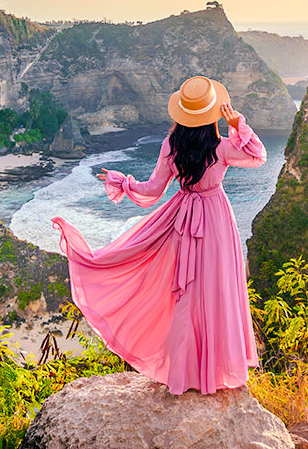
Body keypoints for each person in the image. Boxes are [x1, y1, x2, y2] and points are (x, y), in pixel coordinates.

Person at [51, 75, 267, 395]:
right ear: (210, 116)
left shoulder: (172, 145)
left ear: (182, 114)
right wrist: (237, 124)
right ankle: (213, 372)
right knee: (216, 292)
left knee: (188, 296)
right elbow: (258, 156)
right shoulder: (222, 148)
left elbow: (152, 191)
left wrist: (122, 182)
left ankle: (185, 373)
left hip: (182, 221)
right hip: (217, 222)